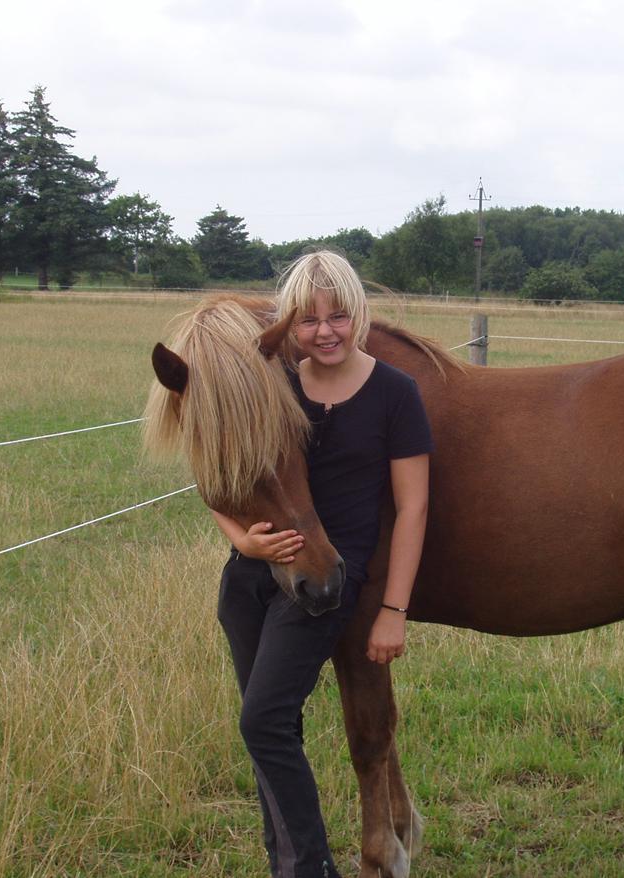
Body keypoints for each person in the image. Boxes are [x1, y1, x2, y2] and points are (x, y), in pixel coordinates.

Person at [211, 250, 433, 878]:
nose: (325, 331)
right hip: (251, 576)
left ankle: (309, 868)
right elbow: (215, 475)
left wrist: (393, 610)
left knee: (262, 721)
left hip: (324, 583)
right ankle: (286, 858)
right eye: (308, 321)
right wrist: (244, 542)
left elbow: (413, 510)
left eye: (339, 316)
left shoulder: (395, 393)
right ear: (289, 328)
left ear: (359, 315)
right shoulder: (273, 383)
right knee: (271, 730)